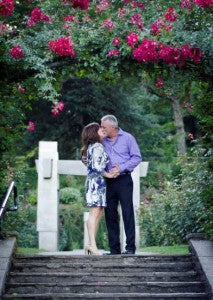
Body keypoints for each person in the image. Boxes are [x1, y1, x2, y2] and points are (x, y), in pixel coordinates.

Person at [101, 115, 142, 255]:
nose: (102, 129)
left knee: (127, 213)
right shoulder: (101, 140)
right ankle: (114, 250)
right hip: (109, 182)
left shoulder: (128, 138)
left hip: (124, 180)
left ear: (113, 127)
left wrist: (122, 167)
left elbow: (137, 157)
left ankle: (130, 248)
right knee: (110, 215)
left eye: (104, 127)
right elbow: (89, 155)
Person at [81, 122, 114, 255]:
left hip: (96, 182)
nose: (102, 129)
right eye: (99, 128)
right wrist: (109, 174)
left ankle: (90, 244)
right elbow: (97, 166)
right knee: (94, 214)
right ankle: (92, 245)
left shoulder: (92, 147)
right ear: (94, 132)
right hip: (96, 183)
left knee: (97, 214)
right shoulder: (97, 147)